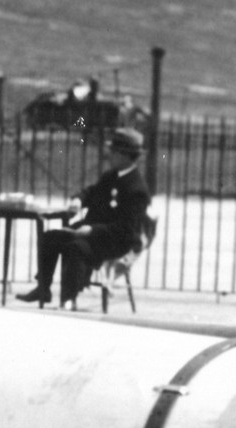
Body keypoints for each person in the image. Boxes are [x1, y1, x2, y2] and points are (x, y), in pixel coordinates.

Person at [18, 126, 152, 306]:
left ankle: (68, 298)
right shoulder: (111, 176)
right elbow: (92, 192)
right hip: (91, 230)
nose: (109, 155)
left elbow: (126, 229)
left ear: (125, 155)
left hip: (114, 240)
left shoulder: (137, 189)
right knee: (50, 238)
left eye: (113, 151)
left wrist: (91, 230)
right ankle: (43, 288)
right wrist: (79, 200)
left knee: (77, 248)